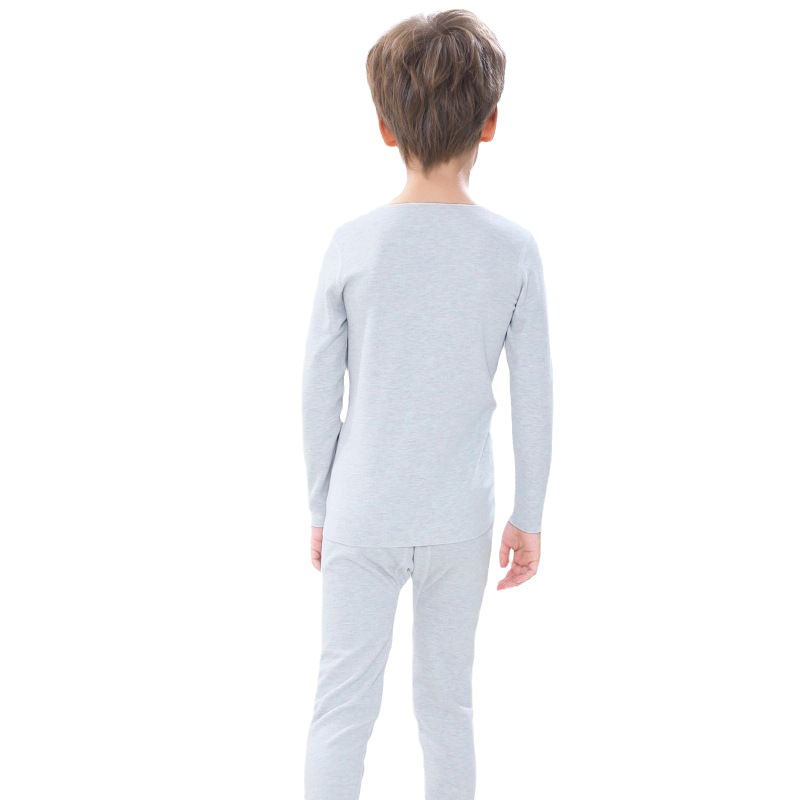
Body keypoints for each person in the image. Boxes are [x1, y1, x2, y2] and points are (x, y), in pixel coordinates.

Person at [301, 10, 553, 800]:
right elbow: (535, 391)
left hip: (362, 509)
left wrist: (322, 504)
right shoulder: (512, 249)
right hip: (459, 517)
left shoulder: (353, 243)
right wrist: (529, 514)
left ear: (384, 127)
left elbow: (318, 389)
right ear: (491, 122)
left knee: (342, 709)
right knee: (449, 707)